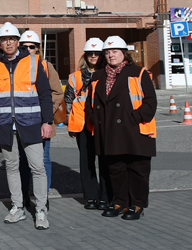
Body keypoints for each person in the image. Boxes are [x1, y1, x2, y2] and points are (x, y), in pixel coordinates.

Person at [0, 22, 53, 230]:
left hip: (31, 124)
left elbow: (45, 94)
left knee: (38, 167)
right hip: (5, 124)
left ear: (17, 41)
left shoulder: (33, 62)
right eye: (4, 40)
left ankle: (40, 210)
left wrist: (47, 121)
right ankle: (18, 208)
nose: (8, 43)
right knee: (11, 167)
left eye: (12, 39)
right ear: (0, 43)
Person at [87, 36, 156, 220]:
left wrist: (134, 117)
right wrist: (95, 119)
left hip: (135, 129)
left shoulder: (138, 72)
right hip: (109, 131)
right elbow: (90, 104)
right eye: (107, 52)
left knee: (137, 169)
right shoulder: (98, 75)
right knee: (115, 169)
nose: (111, 55)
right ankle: (120, 202)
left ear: (124, 53)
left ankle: (137, 204)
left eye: (115, 51)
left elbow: (150, 102)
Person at [17, 31, 64, 208]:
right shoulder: (16, 66)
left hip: (42, 121)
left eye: (32, 47)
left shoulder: (45, 65)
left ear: (38, 49)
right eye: (24, 47)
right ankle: (24, 194)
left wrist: (46, 115)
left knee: (43, 159)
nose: (28, 50)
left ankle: (43, 196)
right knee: (23, 160)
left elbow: (57, 93)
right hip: (22, 121)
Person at [66, 38, 109, 211]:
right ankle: (91, 197)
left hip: (103, 125)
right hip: (83, 126)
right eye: (90, 53)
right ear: (85, 55)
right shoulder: (75, 77)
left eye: (97, 53)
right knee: (86, 162)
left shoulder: (109, 74)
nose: (93, 56)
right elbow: (69, 102)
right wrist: (71, 125)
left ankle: (105, 197)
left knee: (105, 162)